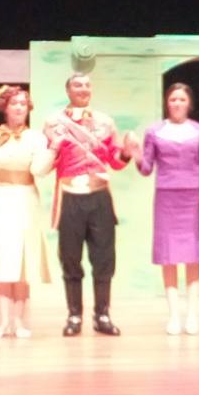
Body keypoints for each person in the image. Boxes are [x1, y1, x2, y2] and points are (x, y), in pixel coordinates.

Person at [44, 73, 137, 337]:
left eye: (86, 85)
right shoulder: (54, 123)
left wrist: (126, 153)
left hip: (99, 195)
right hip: (70, 195)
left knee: (104, 259)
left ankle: (102, 315)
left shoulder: (105, 122)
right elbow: (49, 159)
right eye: (77, 85)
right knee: (70, 259)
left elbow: (114, 161)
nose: (83, 89)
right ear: (68, 90)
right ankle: (74, 315)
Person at [0, 85, 54, 338]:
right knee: (3, 258)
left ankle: (19, 322)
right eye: (14, 104)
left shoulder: (36, 138)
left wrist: (53, 150)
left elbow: (39, 170)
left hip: (25, 198)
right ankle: (3, 322)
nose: (19, 108)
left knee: (22, 260)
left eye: (23, 104)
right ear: (5, 108)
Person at [135, 83, 199, 335]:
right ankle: (173, 315)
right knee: (168, 256)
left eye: (181, 99)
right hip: (166, 198)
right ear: (167, 103)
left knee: (193, 255)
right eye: (173, 99)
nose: (177, 103)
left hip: (193, 198)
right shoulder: (154, 131)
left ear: (189, 103)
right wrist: (135, 154)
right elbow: (146, 168)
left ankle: (192, 314)